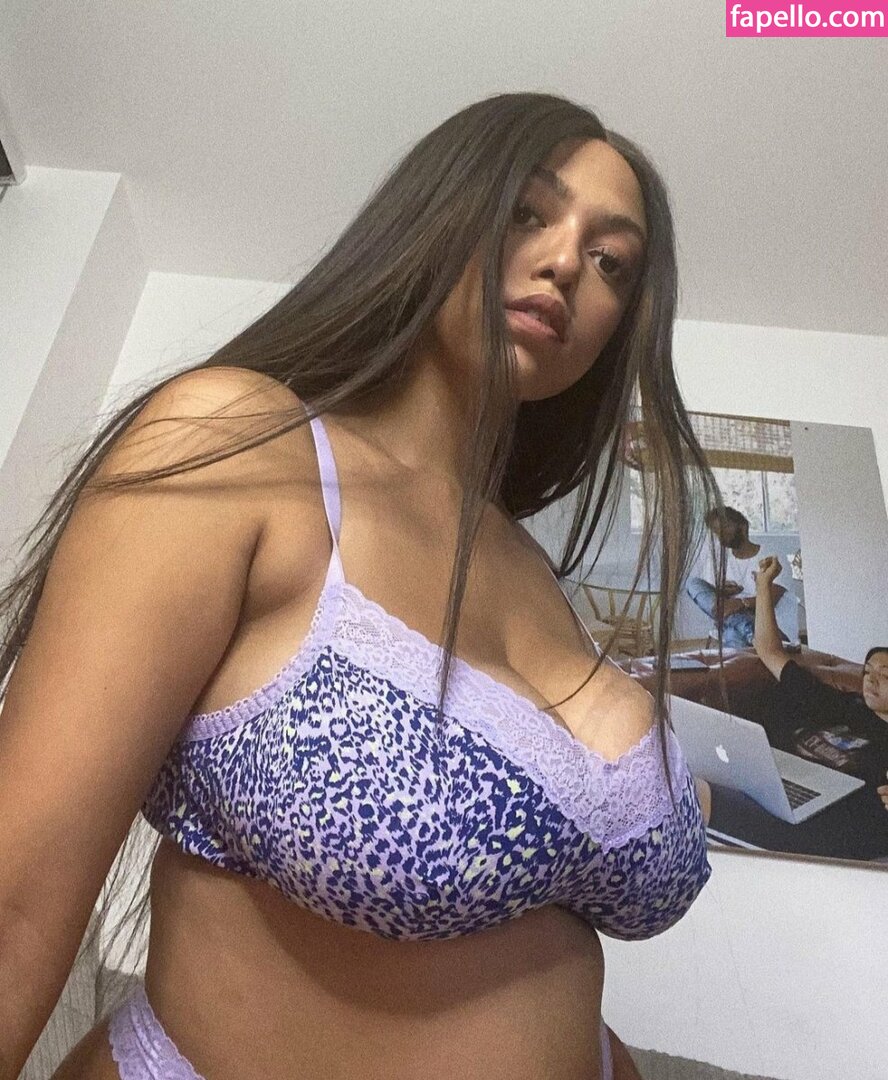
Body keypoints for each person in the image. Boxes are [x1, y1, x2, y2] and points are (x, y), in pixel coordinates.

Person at [0, 93, 714, 1080]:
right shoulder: (241, 445)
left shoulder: (536, 578)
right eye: (528, 212)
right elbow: (16, 903)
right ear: (439, 211)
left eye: (611, 262)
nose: (565, 263)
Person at [753, 555, 888, 818]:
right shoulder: (837, 702)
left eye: (885, 675)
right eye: (867, 670)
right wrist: (763, 585)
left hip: (838, 818)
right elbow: (768, 650)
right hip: (781, 786)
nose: (870, 679)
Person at [686, 506, 787, 649]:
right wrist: (721, 592)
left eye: (726, 527)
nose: (721, 534)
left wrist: (740, 603)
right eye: (717, 531)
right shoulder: (720, 559)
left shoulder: (771, 555)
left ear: (743, 526)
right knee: (692, 583)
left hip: (765, 621)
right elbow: (713, 602)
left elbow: (773, 598)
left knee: (731, 634)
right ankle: (747, 629)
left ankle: (746, 629)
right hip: (733, 618)